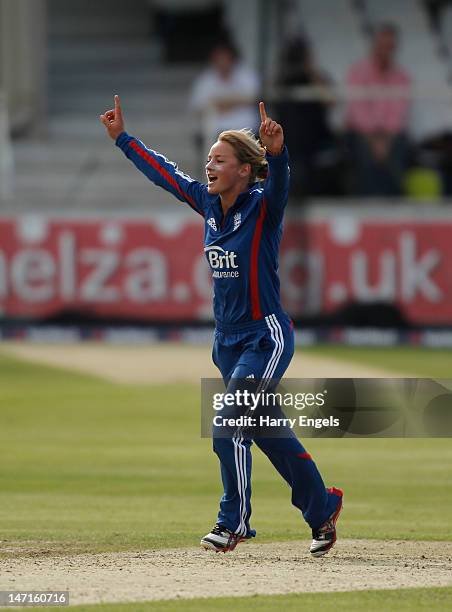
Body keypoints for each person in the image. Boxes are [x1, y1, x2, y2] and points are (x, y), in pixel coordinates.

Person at [100, 95, 343, 557]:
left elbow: (281, 183)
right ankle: (322, 506)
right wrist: (123, 140)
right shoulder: (208, 204)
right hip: (226, 342)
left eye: (220, 160)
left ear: (244, 171)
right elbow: (167, 174)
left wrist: (278, 152)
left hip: (264, 336)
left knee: (227, 423)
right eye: (209, 159)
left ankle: (233, 522)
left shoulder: (262, 206)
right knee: (268, 432)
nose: (209, 166)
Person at [345, 23, 411, 196]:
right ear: (375, 46)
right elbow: (357, 111)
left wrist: (386, 140)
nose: (385, 51)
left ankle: (392, 203)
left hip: (390, 135)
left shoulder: (401, 77)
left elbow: (398, 113)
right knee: (362, 149)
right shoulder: (358, 72)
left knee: (399, 147)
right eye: (382, 46)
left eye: (389, 47)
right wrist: (374, 140)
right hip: (362, 133)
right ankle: (367, 202)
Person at [189, 38, 260, 172]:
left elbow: (252, 98)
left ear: (232, 58)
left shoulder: (245, 74)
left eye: (225, 58)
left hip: (246, 130)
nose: (222, 62)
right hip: (217, 131)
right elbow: (198, 106)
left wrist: (223, 102)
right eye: (218, 58)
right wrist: (234, 102)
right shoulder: (206, 79)